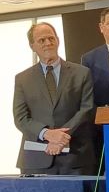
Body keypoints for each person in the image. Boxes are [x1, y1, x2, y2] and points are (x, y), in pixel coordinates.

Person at [13, 22, 96, 175]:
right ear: (32, 46)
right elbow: (21, 118)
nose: (48, 43)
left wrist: (61, 137)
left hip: (75, 158)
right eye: (41, 40)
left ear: (58, 40)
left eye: (51, 38)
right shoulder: (22, 79)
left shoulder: (82, 73)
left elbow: (87, 110)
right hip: (36, 160)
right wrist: (47, 133)